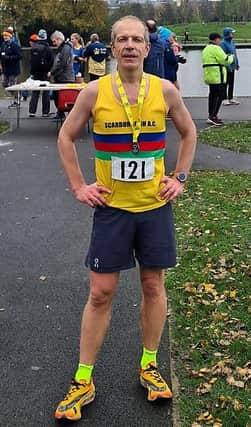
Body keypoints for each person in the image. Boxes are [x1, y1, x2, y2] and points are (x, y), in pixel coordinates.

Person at [54, 15, 196, 422]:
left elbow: (189, 133)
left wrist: (180, 178)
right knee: (100, 293)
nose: (130, 45)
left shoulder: (164, 90)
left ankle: (149, 365)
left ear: (146, 48)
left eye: (137, 39)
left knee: (153, 285)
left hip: (153, 207)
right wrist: (80, 187)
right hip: (112, 210)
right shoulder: (94, 92)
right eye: (123, 39)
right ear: (113, 48)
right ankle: (84, 379)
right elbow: (66, 137)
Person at [202, 32, 234, 126]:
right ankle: (213, 116)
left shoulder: (206, 48)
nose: (220, 41)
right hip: (217, 75)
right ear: (216, 40)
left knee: (212, 96)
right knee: (219, 96)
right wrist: (231, 57)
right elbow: (225, 60)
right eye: (219, 40)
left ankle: (211, 115)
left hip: (209, 75)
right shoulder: (216, 48)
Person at [48, 30, 75, 119]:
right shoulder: (63, 48)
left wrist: (52, 72)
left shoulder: (66, 48)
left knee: (62, 97)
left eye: (54, 41)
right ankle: (60, 113)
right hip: (61, 77)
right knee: (56, 96)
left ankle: (64, 114)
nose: (54, 44)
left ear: (59, 39)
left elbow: (63, 63)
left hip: (65, 78)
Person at [28, 30, 54, 118]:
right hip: (45, 73)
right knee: (46, 92)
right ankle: (45, 112)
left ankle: (32, 111)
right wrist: (49, 70)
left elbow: (31, 61)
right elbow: (51, 61)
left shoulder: (33, 48)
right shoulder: (48, 49)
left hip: (36, 72)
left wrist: (32, 72)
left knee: (35, 92)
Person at [0, 27, 22, 108]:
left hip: (13, 68)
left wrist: (9, 58)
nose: (5, 37)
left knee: (13, 85)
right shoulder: (3, 45)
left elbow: (19, 56)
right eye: (4, 36)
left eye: (6, 36)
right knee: (4, 83)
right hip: (5, 68)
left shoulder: (14, 45)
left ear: (10, 36)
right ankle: (16, 95)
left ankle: (17, 101)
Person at [221, 27, 240, 105]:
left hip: (233, 66)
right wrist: (228, 67)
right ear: (227, 34)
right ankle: (224, 98)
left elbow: (234, 53)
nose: (233, 34)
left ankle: (231, 98)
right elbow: (224, 56)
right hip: (226, 67)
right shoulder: (223, 43)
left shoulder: (232, 42)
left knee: (231, 83)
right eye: (231, 33)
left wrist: (237, 64)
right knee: (225, 83)